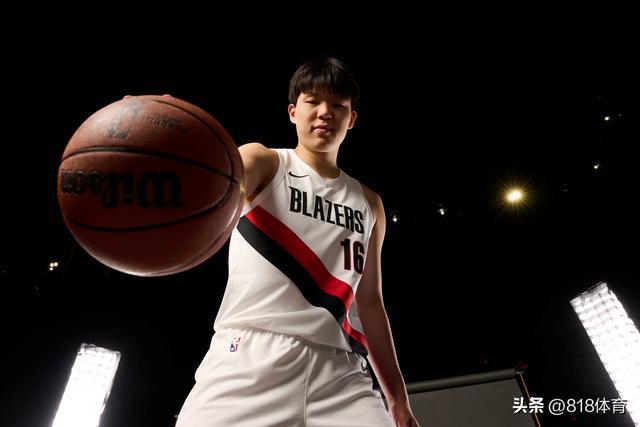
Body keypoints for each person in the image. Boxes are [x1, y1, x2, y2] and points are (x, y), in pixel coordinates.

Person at [176, 57, 420, 427]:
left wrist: (398, 400)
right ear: (293, 112)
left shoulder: (370, 203)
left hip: (341, 373)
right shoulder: (264, 162)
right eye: (313, 101)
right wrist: (176, 133)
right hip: (251, 356)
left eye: (338, 105)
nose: (325, 112)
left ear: (352, 119)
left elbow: (370, 304)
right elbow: (214, 185)